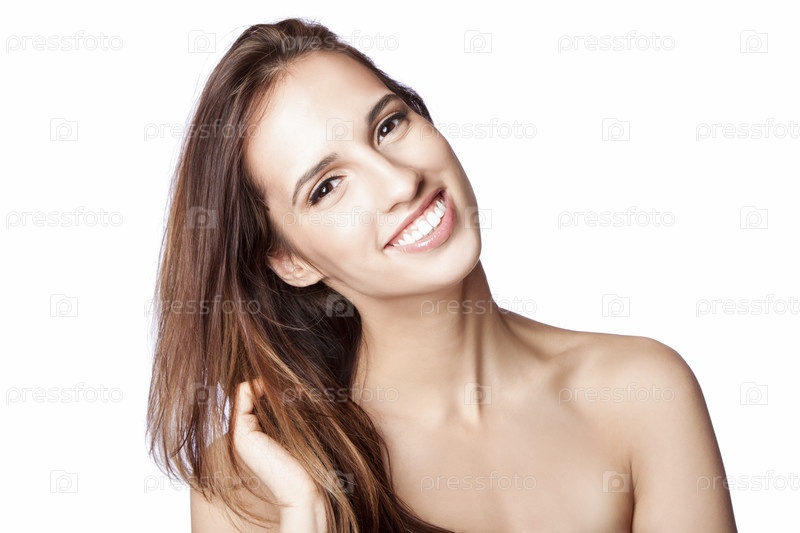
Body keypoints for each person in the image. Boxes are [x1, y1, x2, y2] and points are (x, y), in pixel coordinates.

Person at [147, 18, 738, 532]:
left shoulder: (641, 395)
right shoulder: (251, 486)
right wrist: (305, 514)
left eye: (388, 126)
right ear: (290, 261)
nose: (400, 181)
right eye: (327, 187)